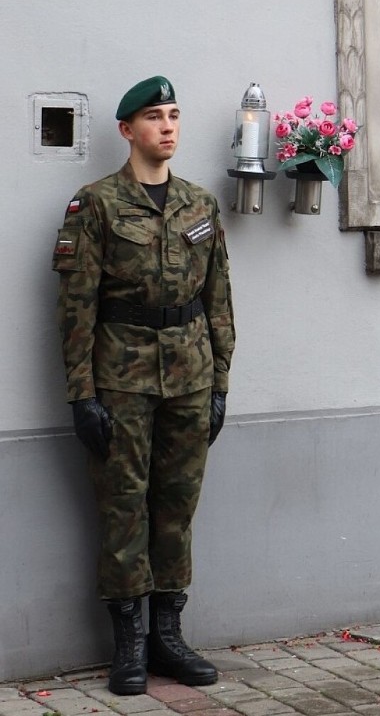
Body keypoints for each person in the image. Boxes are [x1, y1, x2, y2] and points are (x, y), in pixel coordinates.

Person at [51, 76, 236, 695]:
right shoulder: (96, 204)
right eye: (154, 117)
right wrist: (82, 393)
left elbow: (219, 300)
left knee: (177, 507)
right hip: (121, 378)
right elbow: (76, 306)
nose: (168, 126)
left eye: (175, 115)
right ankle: (128, 646)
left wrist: (220, 384)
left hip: (190, 375)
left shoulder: (199, 205)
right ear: (127, 130)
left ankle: (168, 637)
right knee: (123, 507)